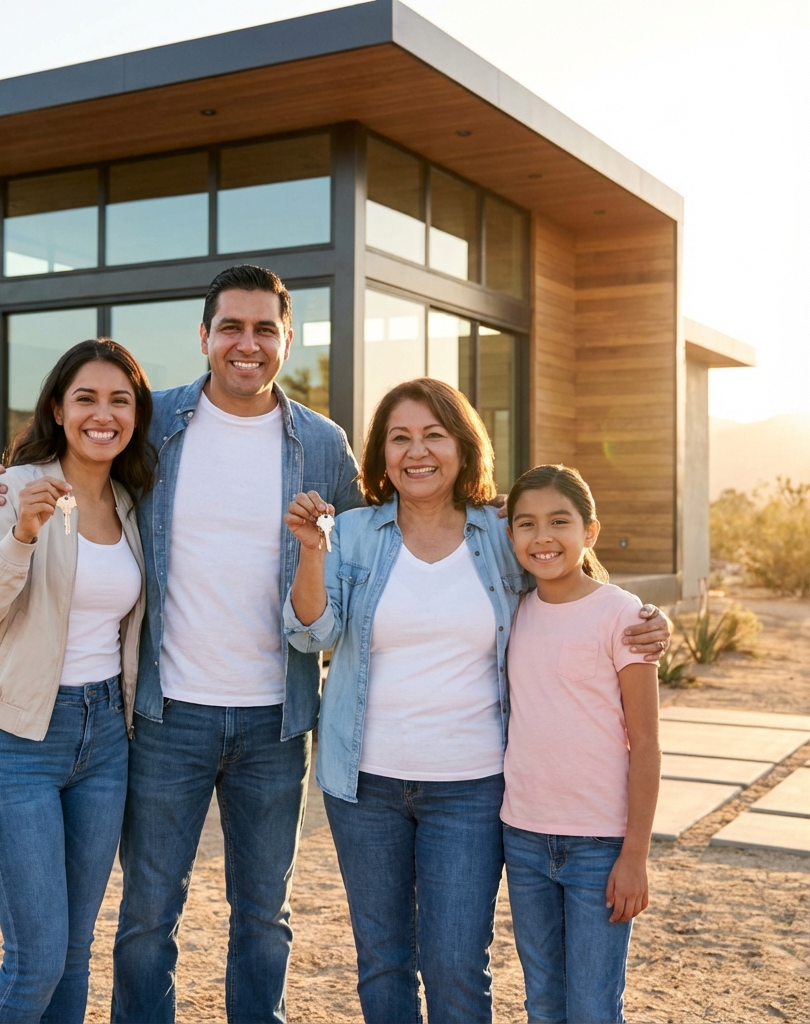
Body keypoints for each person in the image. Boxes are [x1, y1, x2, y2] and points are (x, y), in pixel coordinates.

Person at [0, 265, 363, 1024]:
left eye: (265, 329)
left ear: (288, 339)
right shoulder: (155, 423)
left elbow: (373, 539)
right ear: (204, 335)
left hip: (278, 721)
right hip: (164, 714)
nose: (247, 344)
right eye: (231, 327)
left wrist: (483, 515)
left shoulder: (321, 443)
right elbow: (75, 457)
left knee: (265, 918)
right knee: (147, 917)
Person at [283, 379, 669, 1024]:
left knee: (457, 964)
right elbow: (310, 634)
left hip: (472, 787)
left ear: (463, 446)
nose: (417, 451)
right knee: (382, 961)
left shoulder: (498, 529)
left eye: (434, 435)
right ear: (382, 454)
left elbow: (567, 576)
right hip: (364, 785)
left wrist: (645, 618)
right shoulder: (349, 531)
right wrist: (312, 554)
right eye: (400, 438)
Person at [0, 339, 151, 1024]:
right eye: (85, 398)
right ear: (58, 410)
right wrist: (21, 536)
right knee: (34, 958)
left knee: (72, 951)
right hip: (13, 740)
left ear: (136, 415)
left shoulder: (130, 503)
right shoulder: (10, 489)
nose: (104, 414)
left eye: (120, 400)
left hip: (105, 743)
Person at [500, 464, 660, 1024]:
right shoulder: (513, 610)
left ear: (590, 531)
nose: (542, 537)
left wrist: (635, 856)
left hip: (599, 845)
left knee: (593, 1007)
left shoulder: (623, 614)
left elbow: (646, 743)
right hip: (522, 837)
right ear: (510, 534)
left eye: (559, 522)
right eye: (526, 524)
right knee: (543, 1002)